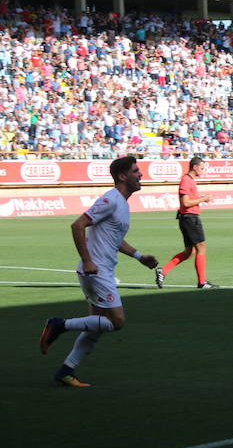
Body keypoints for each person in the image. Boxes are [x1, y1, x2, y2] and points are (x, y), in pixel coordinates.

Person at [38, 156, 159, 387]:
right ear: (123, 176)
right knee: (117, 322)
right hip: (97, 271)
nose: (141, 175)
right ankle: (59, 324)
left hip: (100, 269)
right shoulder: (111, 199)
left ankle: (66, 371)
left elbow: (115, 240)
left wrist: (139, 257)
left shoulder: (122, 203)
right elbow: (77, 225)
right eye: (136, 171)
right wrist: (87, 260)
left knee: (96, 325)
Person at [155, 157, 217, 289]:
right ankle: (202, 282)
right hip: (190, 218)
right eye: (201, 167)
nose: (203, 170)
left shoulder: (189, 180)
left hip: (187, 218)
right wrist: (203, 199)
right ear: (194, 167)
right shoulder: (186, 181)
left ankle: (163, 271)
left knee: (190, 252)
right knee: (201, 248)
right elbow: (186, 203)